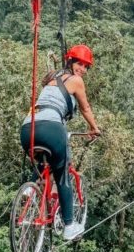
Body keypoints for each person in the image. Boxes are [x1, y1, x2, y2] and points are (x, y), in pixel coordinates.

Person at [19, 44, 101, 241]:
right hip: (52, 128)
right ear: (70, 62)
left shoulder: (51, 79)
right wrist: (94, 128)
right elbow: (85, 108)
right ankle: (69, 226)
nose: (82, 69)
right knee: (62, 175)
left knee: (44, 158)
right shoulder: (76, 81)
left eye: (86, 66)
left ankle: (30, 188)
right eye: (79, 64)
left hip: (27, 128)